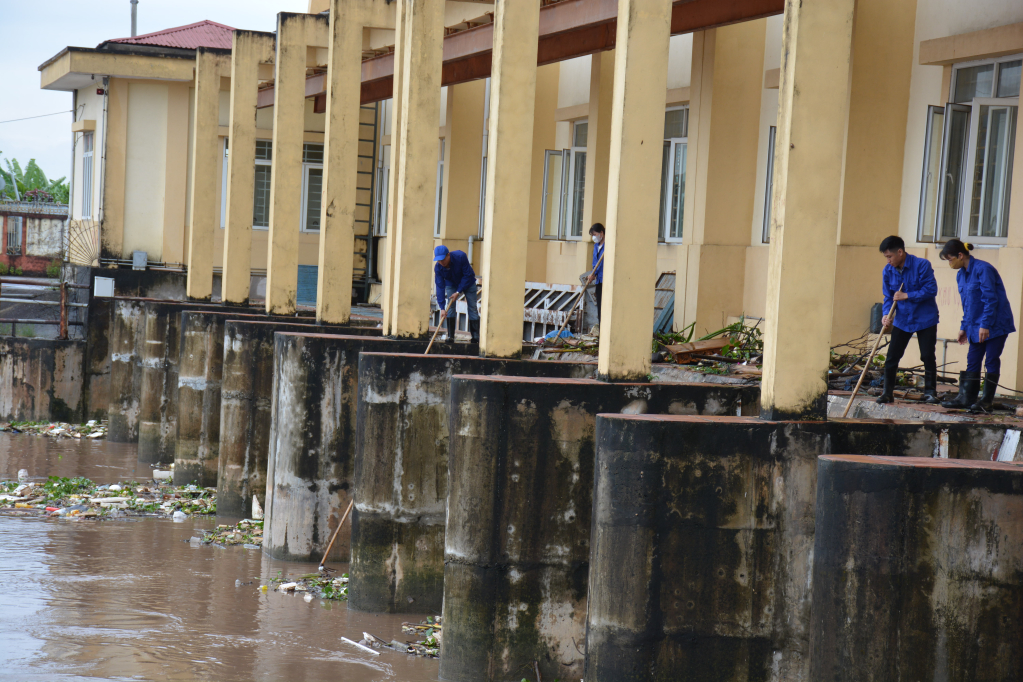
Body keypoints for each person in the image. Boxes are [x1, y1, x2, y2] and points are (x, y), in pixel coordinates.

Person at [940, 239, 1015, 413]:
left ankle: (986, 401)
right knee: (972, 360)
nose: (950, 263)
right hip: (975, 325)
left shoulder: (983, 269)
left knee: (991, 360)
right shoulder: (961, 274)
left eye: (950, 259)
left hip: (995, 324)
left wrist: (985, 324)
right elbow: (967, 304)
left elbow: (991, 299)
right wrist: (964, 327)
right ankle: (967, 398)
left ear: (960, 255)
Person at [877, 235, 940, 404]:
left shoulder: (921, 265)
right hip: (903, 319)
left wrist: (907, 295)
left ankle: (930, 392)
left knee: (927, 355)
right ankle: (887, 393)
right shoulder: (887, 271)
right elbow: (888, 297)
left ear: (900, 252)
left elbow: (931, 289)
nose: (888, 261)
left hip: (925, 317)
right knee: (892, 356)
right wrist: (886, 315)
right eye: (886, 257)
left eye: (890, 256)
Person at [434, 244, 479, 343]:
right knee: (449, 308)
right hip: (451, 283)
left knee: (472, 307)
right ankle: (450, 336)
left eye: (443, 259)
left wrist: (458, 291)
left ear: (448, 255)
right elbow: (440, 287)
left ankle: (476, 337)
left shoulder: (460, 256)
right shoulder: (438, 268)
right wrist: (441, 308)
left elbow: (467, 275)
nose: (441, 262)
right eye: (439, 260)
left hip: (468, 281)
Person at [588, 223, 605, 325]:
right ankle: (601, 332)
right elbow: (595, 262)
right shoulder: (596, 246)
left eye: (595, 234)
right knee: (600, 308)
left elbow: (602, 263)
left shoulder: (608, 245)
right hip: (598, 280)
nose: (594, 237)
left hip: (605, 280)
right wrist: (593, 273)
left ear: (601, 233)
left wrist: (596, 272)